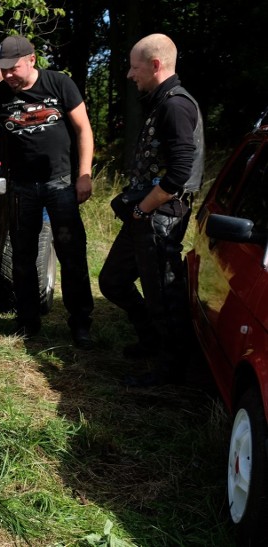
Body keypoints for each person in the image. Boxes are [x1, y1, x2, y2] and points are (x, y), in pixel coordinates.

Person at [0, 35, 95, 348]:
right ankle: (27, 321)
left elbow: (83, 129)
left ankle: (81, 324)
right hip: (21, 188)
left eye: (13, 68)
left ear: (32, 60)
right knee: (22, 256)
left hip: (61, 183)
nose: (8, 74)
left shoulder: (59, 84)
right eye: (3, 69)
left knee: (72, 253)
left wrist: (85, 174)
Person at [99, 34, 204, 385]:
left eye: (134, 66)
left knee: (163, 294)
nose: (130, 74)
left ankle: (169, 368)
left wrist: (144, 209)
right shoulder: (161, 101)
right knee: (113, 280)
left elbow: (179, 172)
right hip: (145, 215)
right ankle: (151, 341)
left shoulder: (175, 105)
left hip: (160, 216)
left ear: (155, 65)